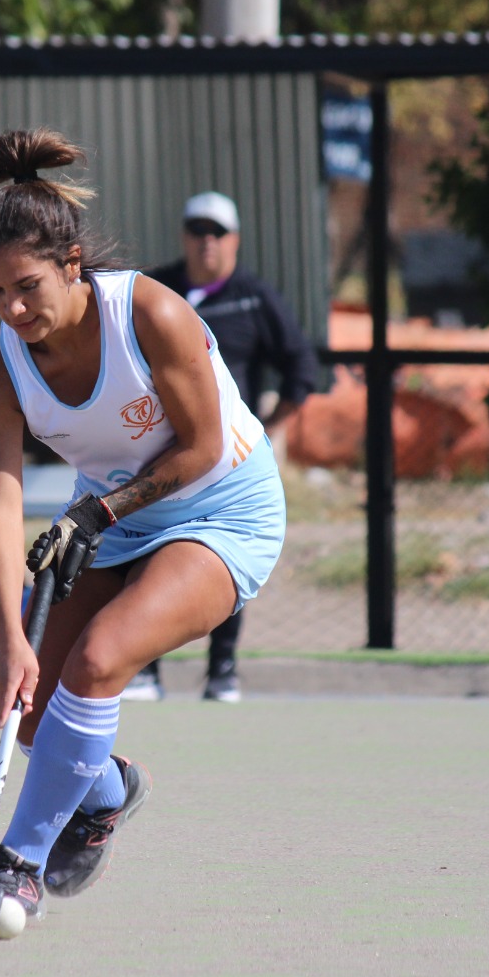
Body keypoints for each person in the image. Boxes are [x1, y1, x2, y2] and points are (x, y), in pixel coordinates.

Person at [0, 128, 287, 934]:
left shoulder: (150, 313)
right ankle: (108, 792)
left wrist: (99, 510)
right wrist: (10, 637)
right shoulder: (1, 371)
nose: (14, 309)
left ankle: (21, 862)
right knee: (37, 712)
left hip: (222, 509)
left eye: (28, 286)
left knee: (100, 659)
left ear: (72, 264)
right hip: (111, 520)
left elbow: (206, 447)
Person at [122, 189, 320, 703]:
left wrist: (269, 427)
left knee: (221, 555)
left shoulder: (255, 296)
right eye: (197, 232)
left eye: (217, 233)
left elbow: (302, 368)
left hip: (229, 463)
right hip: (162, 457)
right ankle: (145, 669)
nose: (205, 243)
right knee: (151, 550)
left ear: (234, 242)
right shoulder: (157, 290)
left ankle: (222, 670)